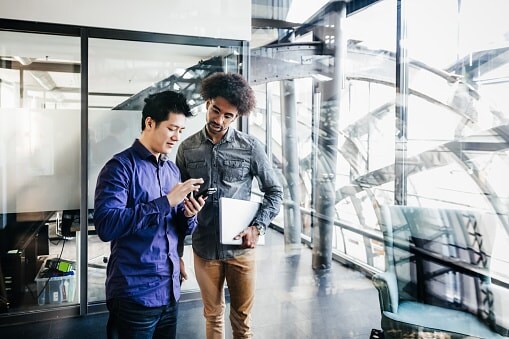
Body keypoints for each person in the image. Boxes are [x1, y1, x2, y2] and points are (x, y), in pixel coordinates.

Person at [176, 72, 283, 339]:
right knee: (212, 316)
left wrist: (257, 228)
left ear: (237, 117)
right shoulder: (187, 148)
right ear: (207, 103)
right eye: (216, 111)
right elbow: (176, 202)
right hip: (204, 248)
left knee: (242, 321)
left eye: (228, 116)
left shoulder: (251, 147)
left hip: (241, 251)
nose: (219, 120)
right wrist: (177, 250)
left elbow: (275, 191)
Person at [94, 90, 206, 339]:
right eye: (172, 128)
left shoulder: (172, 171)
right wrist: (166, 202)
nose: (177, 137)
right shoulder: (119, 168)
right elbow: (106, 225)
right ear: (149, 123)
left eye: (181, 130)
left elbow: (179, 229)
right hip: (134, 294)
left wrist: (189, 215)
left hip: (169, 290)